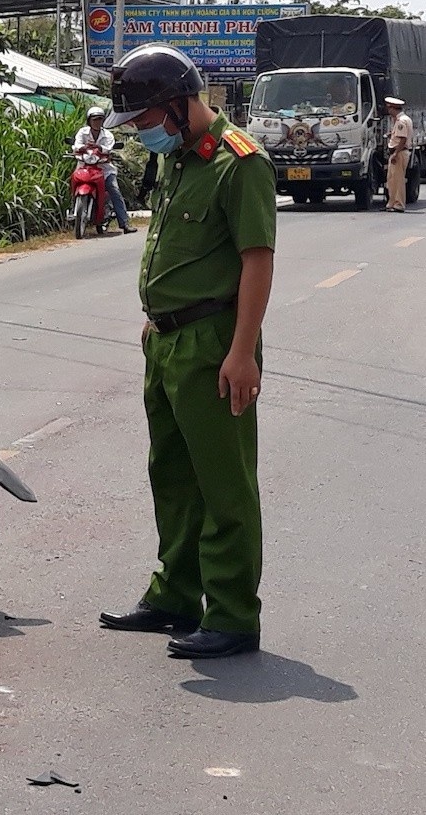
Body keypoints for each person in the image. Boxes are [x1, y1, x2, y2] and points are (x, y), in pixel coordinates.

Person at [96, 44, 276, 660]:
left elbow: (257, 260)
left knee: (223, 481)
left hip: (214, 344)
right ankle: (175, 594)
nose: (140, 133)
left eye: (144, 121)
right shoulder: (177, 160)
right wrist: (157, 318)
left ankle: (231, 614)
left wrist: (243, 351)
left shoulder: (240, 163)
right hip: (167, 339)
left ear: (177, 105)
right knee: (170, 473)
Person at [73, 107, 136, 234]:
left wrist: (99, 147)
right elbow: (76, 145)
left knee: (114, 190)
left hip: (104, 169)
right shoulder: (82, 132)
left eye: (100, 119)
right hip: (84, 167)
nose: (97, 122)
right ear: (89, 121)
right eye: (94, 119)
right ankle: (74, 212)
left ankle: (124, 223)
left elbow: (108, 148)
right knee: (73, 182)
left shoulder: (107, 135)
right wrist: (83, 147)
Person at [384, 96, 413, 213]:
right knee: (392, 180)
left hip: (399, 152)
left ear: (393, 108)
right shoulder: (403, 119)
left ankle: (398, 204)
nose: (388, 111)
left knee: (397, 180)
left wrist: (395, 153)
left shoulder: (401, 121)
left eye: (389, 108)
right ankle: (392, 203)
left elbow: (402, 139)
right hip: (399, 152)